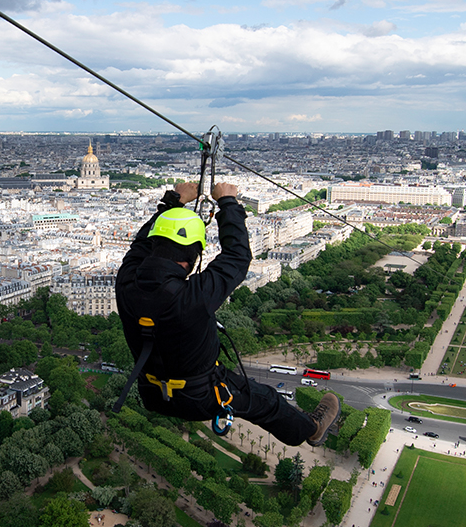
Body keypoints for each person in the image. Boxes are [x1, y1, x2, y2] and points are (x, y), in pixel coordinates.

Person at [116, 181, 339, 446]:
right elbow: (238, 256)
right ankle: (311, 429)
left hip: (150, 392)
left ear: (155, 247)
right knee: (267, 402)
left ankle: (309, 429)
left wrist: (174, 201)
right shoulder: (194, 296)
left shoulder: (126, 283)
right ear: (194, 256)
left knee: (262, 400)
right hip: (200, 397)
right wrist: (228, 202)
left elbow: (140, 245)